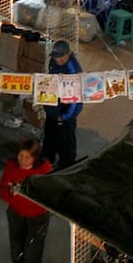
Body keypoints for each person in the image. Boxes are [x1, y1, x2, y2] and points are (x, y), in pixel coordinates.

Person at [0, 138, 54, 263]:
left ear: (35, 158)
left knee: (33, 254)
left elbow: (48, 197)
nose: (23, 161)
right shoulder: (11, 165)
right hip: (16, 215)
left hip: (38, 218)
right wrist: (14, 194)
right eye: (20, 156)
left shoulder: (44, 168)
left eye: (27, 157)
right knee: (16, 251)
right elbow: (4, 191)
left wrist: (26, 195)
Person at [42, 40, 82, 169]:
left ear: (68, 53)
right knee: (49, 137)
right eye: (55, 56)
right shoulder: (54, 61)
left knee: (65, 140)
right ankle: (48, 159)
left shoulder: (74, 71)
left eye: (60, 57)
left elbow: (77, 102)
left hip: (64, 112)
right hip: (52, 108)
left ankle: (67, 164)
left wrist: (64, 117)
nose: (57, 60)